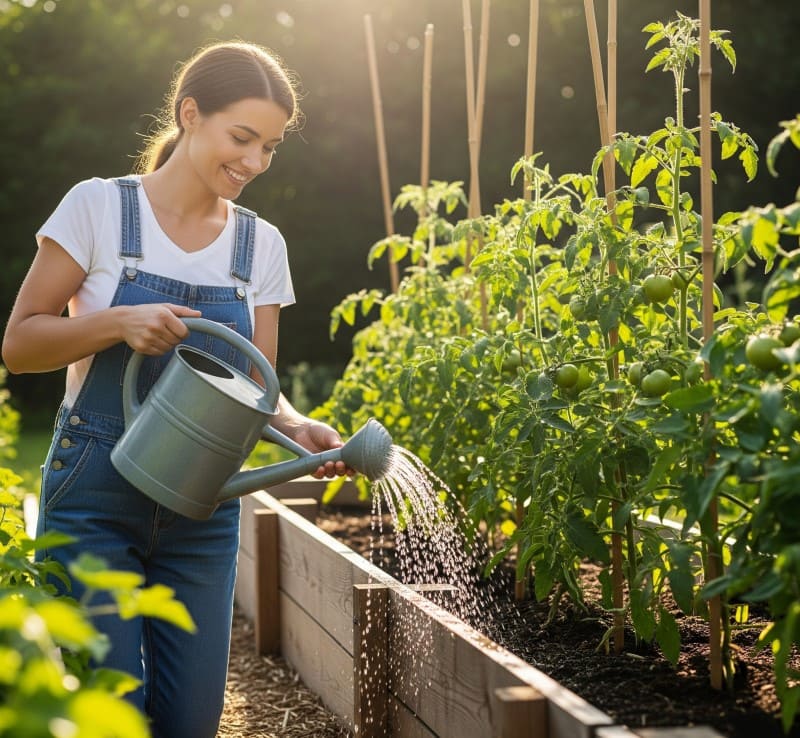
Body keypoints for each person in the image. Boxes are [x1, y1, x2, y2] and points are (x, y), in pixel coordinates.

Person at [1, 41, 349, 738]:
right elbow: (20, 344)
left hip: (204, 503)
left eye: (271, 148)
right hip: (96, 490)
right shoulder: (99, 209)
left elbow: (258, 387)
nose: (254, 163)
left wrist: (297, 425)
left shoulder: (261, 246)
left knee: (191, 721)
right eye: (241, 138)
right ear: (191, 114)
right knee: (109, 713)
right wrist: (116, 322)